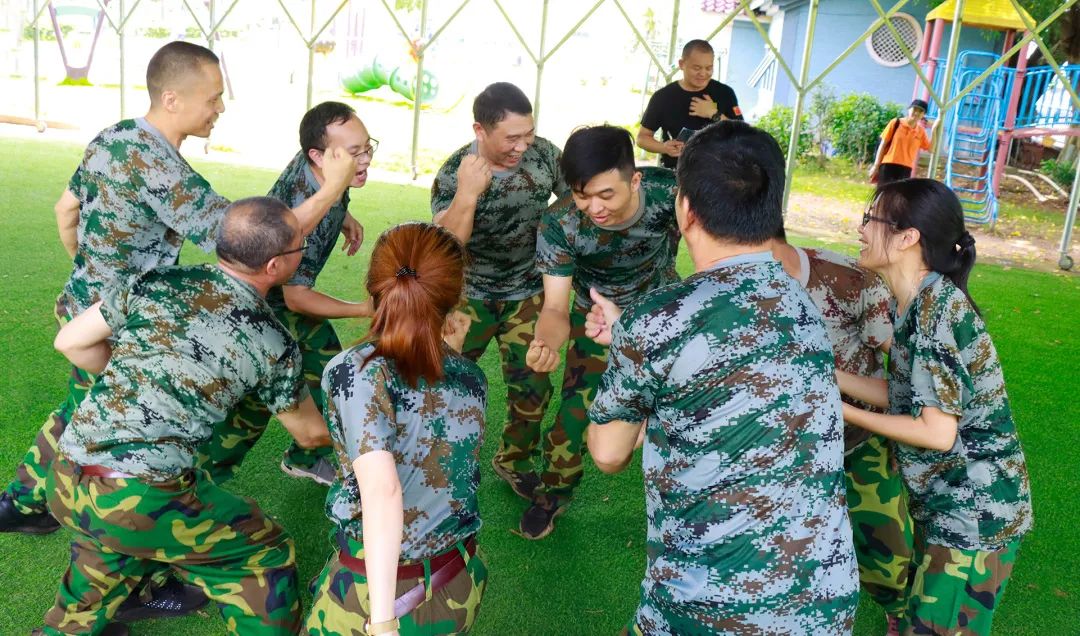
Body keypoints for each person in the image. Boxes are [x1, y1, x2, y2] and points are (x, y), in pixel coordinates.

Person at [0, 41, 355, 536]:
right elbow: (252, 241)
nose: (220, 108)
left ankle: (23, 504)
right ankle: (109, 537)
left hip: (87, 303)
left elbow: (67, 211)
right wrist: (332, 188)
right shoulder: (161, 167)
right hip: (119, 318)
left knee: (83, 404)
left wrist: (92, 273)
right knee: (114, 418)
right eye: (212, 98)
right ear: (172, 99)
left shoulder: (115, 136)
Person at [584, 121, 858, 634]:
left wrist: (634, 343)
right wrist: (634, 340)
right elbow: (725, 364)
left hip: (710, 609)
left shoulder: (660, 319)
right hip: (825, 601)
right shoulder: (803, 302)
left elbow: (608, 451)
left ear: (685, 210)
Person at [36, 197, 332, 636]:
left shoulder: (156, 282)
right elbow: (308, 436)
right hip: (141, 497)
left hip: (64, 475)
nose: (303, 250)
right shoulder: (271, 338)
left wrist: (138, 381)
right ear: (274, 265)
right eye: (300, 246)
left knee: (108, 545)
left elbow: (71, 342)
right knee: (265, 553)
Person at [838, 179, 1033, 636]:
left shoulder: (935, 313)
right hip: (951, 507)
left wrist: (838, 408)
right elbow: (907, 394)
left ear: (908, 238)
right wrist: (826, 375)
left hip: (975, 514)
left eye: (872, 219)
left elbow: (936, 431)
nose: (861, 229)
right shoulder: (920, 301)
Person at [307, 222, 487, 636]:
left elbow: (383, 489)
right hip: (458, 578)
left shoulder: (354, 371)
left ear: (374, 285)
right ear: (455, 296)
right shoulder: (472, 377)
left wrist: (384, 620)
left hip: (377, 594)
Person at [198, 101, 375, 486]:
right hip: (267, 304)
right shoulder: (316, 194)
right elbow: (296, 297)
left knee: (327, 371)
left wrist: (341, 212)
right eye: (354, 153)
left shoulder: (324, 171)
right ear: (317, 155)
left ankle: (304, 456)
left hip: (273, 296)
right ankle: (197, 480)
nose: (364, 160)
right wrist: (364, 309)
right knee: (256, 400)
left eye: (367, 147)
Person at [523, 125, 679, 539]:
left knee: (691, 414)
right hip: (592, 322)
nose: (594, 207)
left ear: (635, 179)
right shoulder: (559, 222)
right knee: (575, 415)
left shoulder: (673, 195)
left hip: (662, 317)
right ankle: (552, 495)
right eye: (581, 194)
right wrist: (546, 342)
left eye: (606, 194)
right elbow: (555, 307)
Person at [768, 228, 913, 633]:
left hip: (858, 443)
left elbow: (907, 379)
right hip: (781, 457)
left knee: (889, 557)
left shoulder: (848, 279)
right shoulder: (723, 293)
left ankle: (901, 615)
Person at [431, 82, 567, 502]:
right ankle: (438, 459)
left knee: (533, 382)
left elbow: (575, 200)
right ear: (480, 130)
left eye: (528, 134)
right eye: (512, 137)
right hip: (467, 293)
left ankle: (515, 460)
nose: (522, 146)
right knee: (442, 380)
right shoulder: (456, 171)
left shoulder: (544, 154)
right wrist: (469, 195)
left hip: (526, 291)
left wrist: (552, 229)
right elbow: (446, 244)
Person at [637, 39, 743, 169]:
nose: (703, 73)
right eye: (697, 68)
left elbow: (743, 135)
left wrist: (715, 114)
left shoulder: (725, 93)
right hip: (676, 172)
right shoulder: (663, 97)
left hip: (717, 173)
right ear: (682, 64)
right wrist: (664, 148)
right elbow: (642, 138)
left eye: (709, 68)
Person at [869, 99, 931, 185]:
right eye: (915, 109)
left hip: (906, 169)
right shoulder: (896, 123)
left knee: (899, 197)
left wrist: (935, 130)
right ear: (909, 109)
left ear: (923, 115)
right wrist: (876, 166)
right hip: (888, 165)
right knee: (884, 194)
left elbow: (931, 149)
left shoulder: (921, 131)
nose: (916, 113)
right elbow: (883, 145)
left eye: (920, 111)